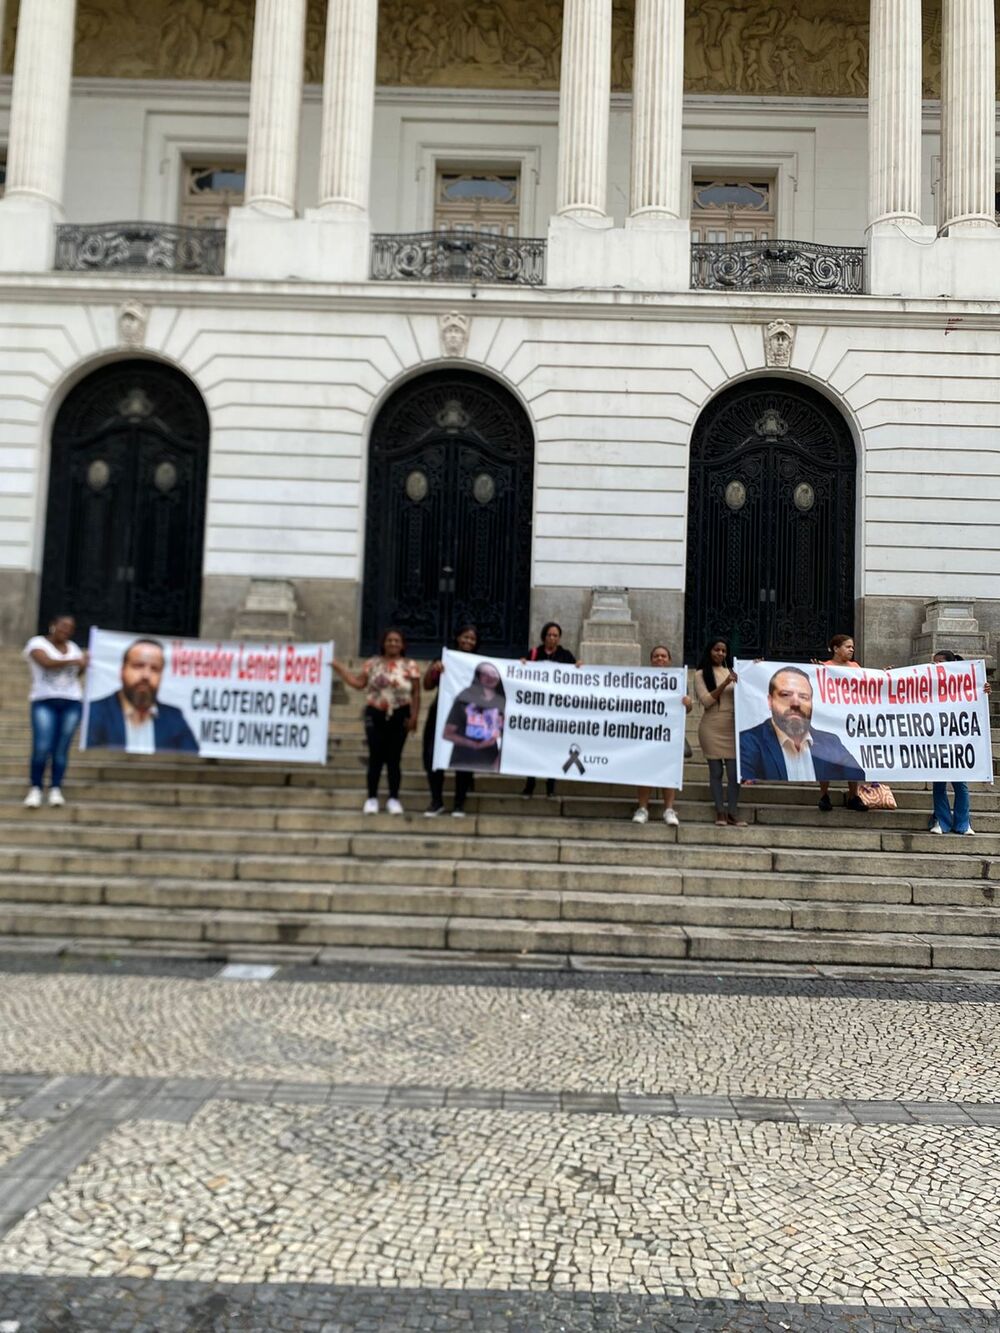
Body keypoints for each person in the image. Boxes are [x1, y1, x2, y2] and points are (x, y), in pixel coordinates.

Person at [333, 629, 420, 815]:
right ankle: (372, 798)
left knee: (394, 758)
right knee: (376, 756)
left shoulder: (410, 665)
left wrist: (414, 717)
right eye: (389, 640)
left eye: (397, 641)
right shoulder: (372, 663)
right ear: (383, 643)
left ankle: (393, 798)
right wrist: (339, 668)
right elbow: (358, 683)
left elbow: (416, 693)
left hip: (400, 713)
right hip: (376, 713)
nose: (393, 644)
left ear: (403, 644)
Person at [739, 665, 864, 785]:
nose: (795, 703)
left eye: (804, 697)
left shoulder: (831, 742)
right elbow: (744, 774)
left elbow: (858, 774)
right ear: (770, 701)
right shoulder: (749, 741)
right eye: (785, 695)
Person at [85, 638, 198, 754]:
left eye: (155, 669)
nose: (146, 676)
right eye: (138, 666)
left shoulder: (174, 717)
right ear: (122, 671)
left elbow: (192, 757)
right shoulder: (95, 711)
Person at [22, 615, 88, 808]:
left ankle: (56, 787)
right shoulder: (37, 643)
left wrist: (82, 665)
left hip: (72, 701)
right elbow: (46, 662)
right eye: (63, 625)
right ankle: (35, 787)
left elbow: (76, 674)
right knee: (42, 746)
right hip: (44, 701)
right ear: (53, 625)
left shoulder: (74, 648)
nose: (66, 630)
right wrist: (75, 661)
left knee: (61, 748)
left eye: (71, 627)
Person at [928, 651, 989, 835]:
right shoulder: (930, 681)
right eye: (934, 662)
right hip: (937, 737)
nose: (934, 665)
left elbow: (975, 697)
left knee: (960, 783)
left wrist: (983, 690)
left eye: (938, 662)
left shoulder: (963, 682)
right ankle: (942, 821)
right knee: (939, 782)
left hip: (958, 738)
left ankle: (963, 823)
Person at [423, 624, 480, 817]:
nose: (468, 641)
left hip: (468, 718)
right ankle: (436, 801)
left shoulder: (481, 663)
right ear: (457, 638)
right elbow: (427, 685)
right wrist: (434, 670)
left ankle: (459, 803)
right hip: (441, 714)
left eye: (472, 639)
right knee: (432, 754)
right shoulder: (445, 658)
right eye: (465, 637)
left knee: (463, 758)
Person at [632, 644, 692, 826]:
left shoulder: (678, 680)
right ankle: (642, 808)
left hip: (669, 735)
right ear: (651, 660)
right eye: (656, 656)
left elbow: (688, 709)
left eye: (663, 656)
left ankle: (669, 809)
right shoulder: (642, 680)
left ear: (669, 660)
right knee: (645, 770)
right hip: (647, 734)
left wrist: (688, 703)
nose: (660, 659)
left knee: (669, 771)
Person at [521, 621, 578, 799]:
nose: (552, 638)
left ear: (559, 638)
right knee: (533, 749)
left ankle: (550, 787)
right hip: (536, 711)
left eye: (555, 635)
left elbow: (577, 676)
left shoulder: (565, 655)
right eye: (549, 635)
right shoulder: (533, 654)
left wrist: (579, 666)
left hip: (556, 712)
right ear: (543, 637)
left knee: (553, 750)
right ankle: (529, 785)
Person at [694, 638, 746, 827]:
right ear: (710, 651)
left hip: (732, 727)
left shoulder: (732, 671)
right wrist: (724, 684)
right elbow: (707, 701)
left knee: (734, 774)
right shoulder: (700, 674)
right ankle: (720, 812)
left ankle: (732, 812)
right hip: (712, 727)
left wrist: (754, 668)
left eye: (724, 651)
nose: (720, 654)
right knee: (716, 771)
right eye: (717, 650)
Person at [816, 633, 866, 812]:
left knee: (853, 758)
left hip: (850, 721)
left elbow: (868, 685)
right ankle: (824, 795)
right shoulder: (824, 667)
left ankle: (854, 795)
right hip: (829, 721)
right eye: (848, 646)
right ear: (836, 649)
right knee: (826, 757)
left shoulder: (855, 667)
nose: (852, 650)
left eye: (852, 647)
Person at [442, 661, 506, 781]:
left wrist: (498, 761)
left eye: (493, 674)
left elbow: (511, 737)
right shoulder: (464, 697)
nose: (490, 677)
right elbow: (447, 733)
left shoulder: (504, 704)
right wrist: (474, 745)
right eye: (485, 674)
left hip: (490, 760)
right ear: (478, 677)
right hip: (462, 758)